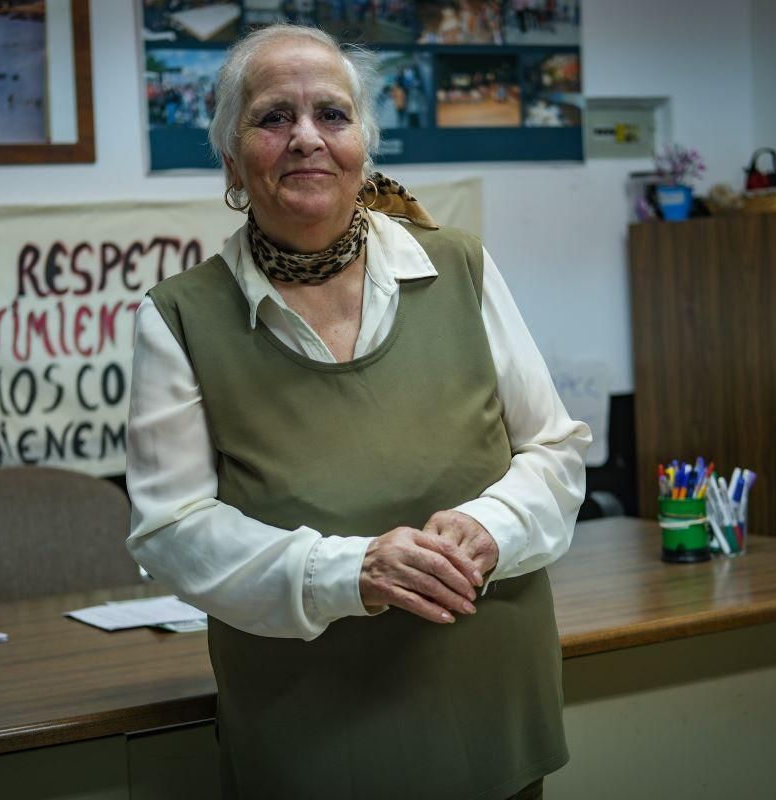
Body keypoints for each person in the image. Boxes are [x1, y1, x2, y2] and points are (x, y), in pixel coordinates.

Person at [126, 23, 590, 800]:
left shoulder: (459, 268)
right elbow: (172, 530)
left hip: (490, 720)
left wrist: (493, 527)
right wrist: (355, 572)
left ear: (363, 146)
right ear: (233, 163)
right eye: (275, 117)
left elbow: (554, 452)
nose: (307, 138)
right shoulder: (179, 318)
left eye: (332, 115)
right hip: (311, 734)